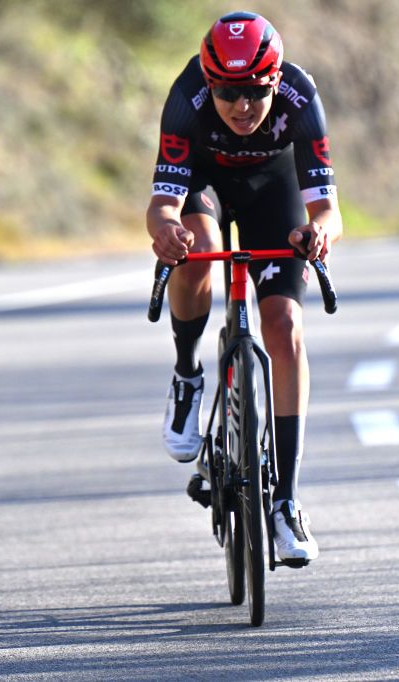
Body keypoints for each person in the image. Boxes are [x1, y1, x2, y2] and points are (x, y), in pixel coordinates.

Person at [146, 11, 342, 562]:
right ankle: (188, 375)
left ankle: (286, 502)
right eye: (228, 91)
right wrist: (166, 232)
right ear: (211, 82)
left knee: (283, 326)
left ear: (274, 81)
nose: (242, 105)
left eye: (255, 91)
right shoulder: (187, 97)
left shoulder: (301, 100)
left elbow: (326, 208)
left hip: (272, 191)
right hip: (204, 186)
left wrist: (318, 234)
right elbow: (164, 202)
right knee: (197, 251)